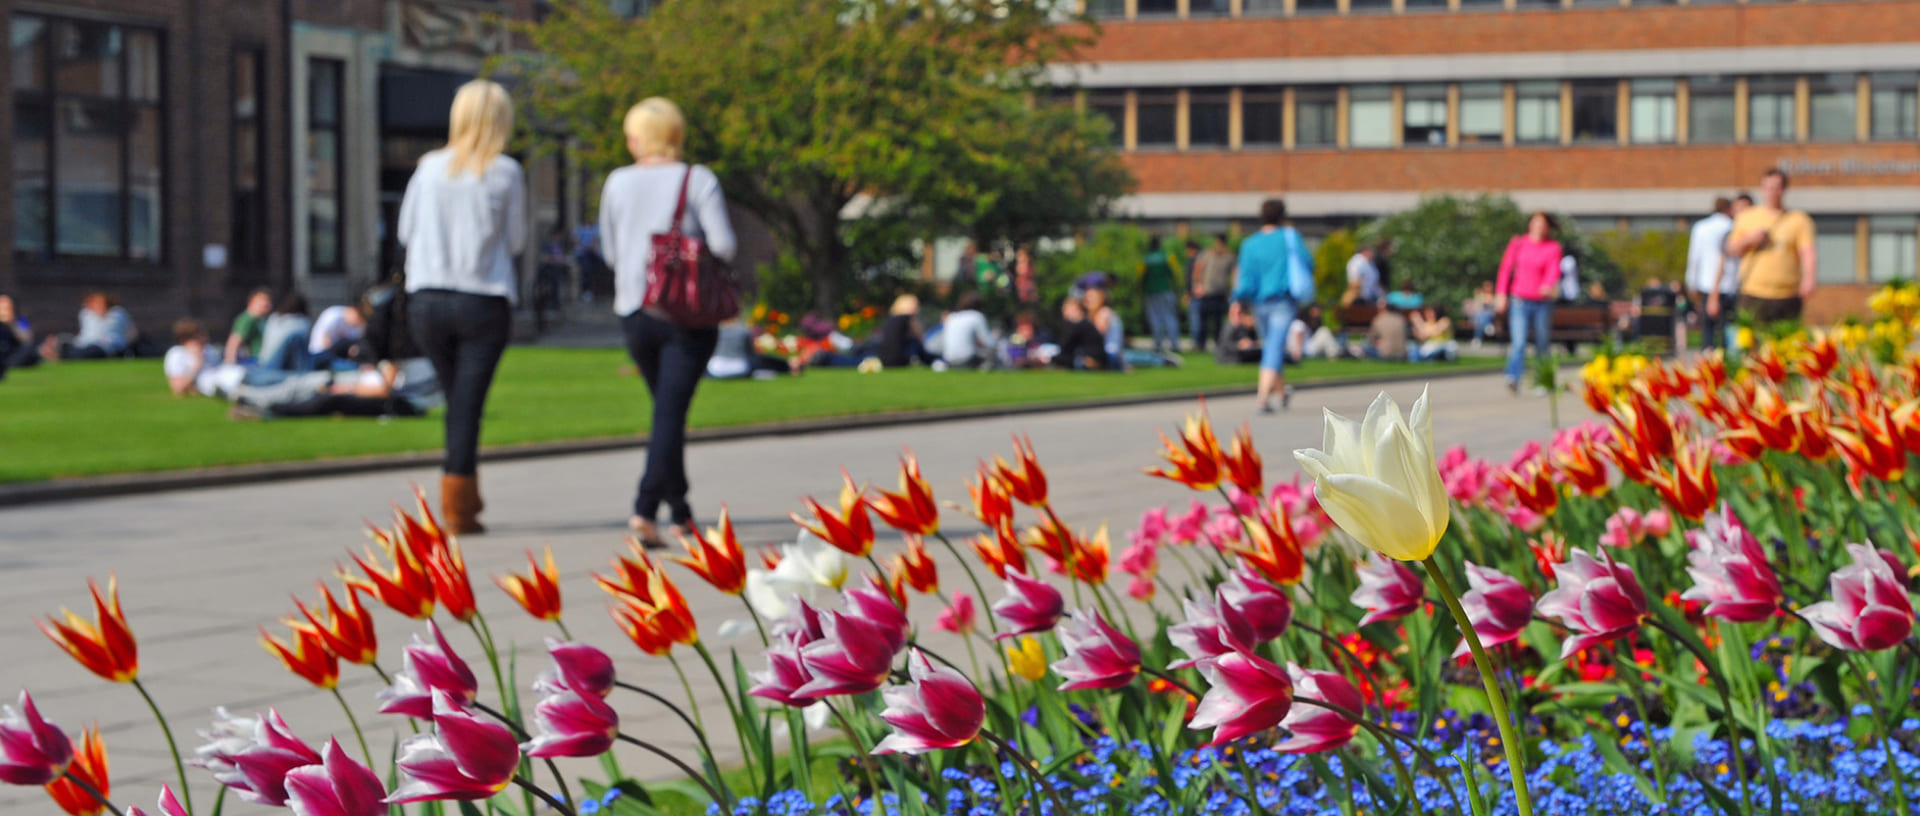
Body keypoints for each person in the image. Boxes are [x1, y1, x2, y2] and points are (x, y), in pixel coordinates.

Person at [602, 97, 738, 547]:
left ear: (639, 137)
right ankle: (644, 509)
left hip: (634, 310)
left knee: (667, 412)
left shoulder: (617, 182)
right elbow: (724, 244)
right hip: (687, 313)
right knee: (670, 412)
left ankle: (680, 513)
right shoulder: (696, 179)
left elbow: (609, 250)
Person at [396, 78, 528, 534]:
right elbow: (515, 241)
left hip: (428, 298)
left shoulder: (429, 168)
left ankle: (462, 497)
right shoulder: (505, 172)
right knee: (466, 403)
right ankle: (459, 503)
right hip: (481, 297)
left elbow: (405, 231)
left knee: (458, 399)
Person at [1230, 198, 1312, 413]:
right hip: (1282, 301)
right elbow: (1308, 262)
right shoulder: (1290, 237)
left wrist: (1236, 300)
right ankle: (1262, 399)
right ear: (1283, 216)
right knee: (1274, 346)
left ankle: (1282, 393)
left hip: (1259, 303)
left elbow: (1245, 279)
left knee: (1272, 345)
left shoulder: (1250, 244)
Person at [1723, 169, 1815, 327]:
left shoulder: (1798, 219)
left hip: (1787, 293)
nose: (1772, 192)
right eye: (1768, 187)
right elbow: (1730, 249)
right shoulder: (1748, 217)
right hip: (1753, 292)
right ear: (1762, 189)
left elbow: (1807, 253)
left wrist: (1809, 278)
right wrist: (1749, 239)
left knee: (1786, 345)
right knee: (1752, 346)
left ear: (1784, 189)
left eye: (1777, 187)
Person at [1495, 211, 1563, 394]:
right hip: (1519, 299)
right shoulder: (1518, 243)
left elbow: (1554, 270)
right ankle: (1513, 376)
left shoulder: (1552, 247)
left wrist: (1548, 285)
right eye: (1536, 222)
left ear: (1548, 227)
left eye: (1543, 223)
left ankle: (1543, 380)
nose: (1539, 226)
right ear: (1530, 224)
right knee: (1519, 341)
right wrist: (1501, 294)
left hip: (1542, 301)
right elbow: (1505, 269)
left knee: (1542, 343)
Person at [1685, 197, 1741, 351]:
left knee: (1708, 329)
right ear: (1728, 209)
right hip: (1730, 285)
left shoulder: (1701, 227)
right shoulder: (1734, 226)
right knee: (1727, 329)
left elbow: (1694, 258)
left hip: (1706, 284)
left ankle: (1708, 359)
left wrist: (1691, 283)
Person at [41, 292, 133, 361]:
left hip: (103, 347)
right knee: (64, 341)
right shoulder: (86, 314)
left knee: (88, 352)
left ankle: (58, 355)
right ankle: (54, 351)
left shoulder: (117, 314)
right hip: (85, 344)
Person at [706, 321, 800, 380]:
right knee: (760, 361)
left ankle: (788, 365)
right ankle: (788, 366)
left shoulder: (714, 330)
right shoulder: (743, 331)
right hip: (739, 368)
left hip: (715, 369)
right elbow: (751, 354)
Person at [1189, 234, 1235, 351]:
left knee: (1218, 321)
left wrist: (1233, 289)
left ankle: (1218, 343)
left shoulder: (1229, 256)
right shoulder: (1206, 255)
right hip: (1206, 292)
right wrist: (1197, 285)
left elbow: (1234, 273)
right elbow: (1197, 269)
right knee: (1203, 321)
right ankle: (1201, 344)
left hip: (1220, 293)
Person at [1139, 237, 1181, 355]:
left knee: (1155, 318)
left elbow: (1140, 277)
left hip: (1151, 292)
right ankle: (1174, 344)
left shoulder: (1145, 259)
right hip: (1166, 290)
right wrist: (1177, 289)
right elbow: (1176, 273)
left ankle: (1158, 344)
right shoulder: (1167, 257)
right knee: (1170, 317)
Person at [163, 319, 225, 397]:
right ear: (185, 340)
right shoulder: (177, 354)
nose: (205, 339)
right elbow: (178, 388)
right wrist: (198, 363)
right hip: (215, 384)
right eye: (200, 337)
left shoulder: (209, 350)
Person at [875, 294, 933, 368]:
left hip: (884, 359)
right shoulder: (906, 319)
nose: (918, 307)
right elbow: (919, 339)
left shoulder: (891, 319)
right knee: (914, 342)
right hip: (899, 359)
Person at [1053, 297, 1111, 371]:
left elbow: (1066, 346)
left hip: (1090, 360)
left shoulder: (1080, 325)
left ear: (1078, 309)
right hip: (1097, 359)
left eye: (1067, 309)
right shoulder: (1086, 324)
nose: (1064, 312)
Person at [939, 293, 995, 369]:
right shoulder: (977, 316)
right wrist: (996, 338)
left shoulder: (952, 317)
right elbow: (988, 342)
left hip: (948, 359)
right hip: (968, 359)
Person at [223, 288, 274, 364]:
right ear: (252, 301)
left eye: (268, 300)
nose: (265, 303)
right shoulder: (247, 319)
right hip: (256, 362)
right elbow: (233, 343)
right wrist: (230, 365)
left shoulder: (261, 319)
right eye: (262, 300)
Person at [308, 302, 367, 366]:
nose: (356, 322)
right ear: (353, 310)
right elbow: (325, 341)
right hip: (319, 354)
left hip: (337, 356)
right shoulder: (334, 315)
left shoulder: (355, 325)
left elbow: (355, 345)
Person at [0, 295, 38, 379]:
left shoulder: (19, 320)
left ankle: (9, 365)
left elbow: (27, 339)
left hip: (13, 352)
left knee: (29, 348)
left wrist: (11, 324)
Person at [1466, 282, 1497, 347]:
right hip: (1479, 316)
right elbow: (1476, 306)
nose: (1488, 288)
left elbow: (1493, 306)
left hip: (1490, 316)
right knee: (1480, 317)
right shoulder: (1480, 295)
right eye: (1486, 286)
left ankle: (1477, 339)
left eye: (1489, 286)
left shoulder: (1494, 296)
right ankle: (1487, 326)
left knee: (1483, 316)